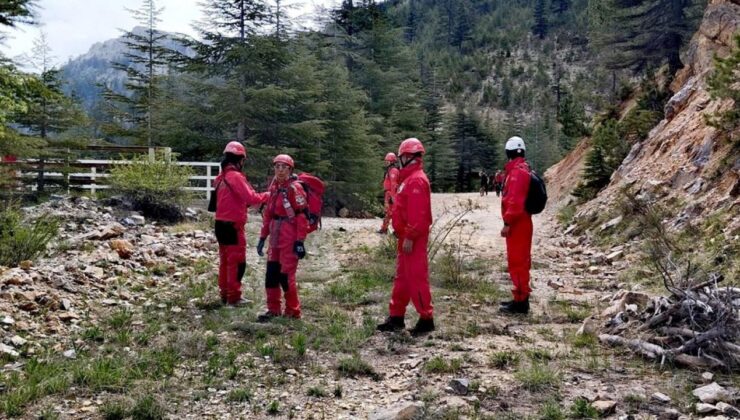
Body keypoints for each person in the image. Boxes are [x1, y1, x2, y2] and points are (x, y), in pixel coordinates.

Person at [377, 138, 435, 336]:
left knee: (416, 277)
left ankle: (426, 319)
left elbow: (419, 215)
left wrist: (410, 236)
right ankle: (396, 317)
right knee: (402, 278)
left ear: (408, 157)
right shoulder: (409, 179)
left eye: (401, 157)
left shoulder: (416, 180)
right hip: (405, 237)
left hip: (413, 239)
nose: (398, 161)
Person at [213, 141, 269, 306]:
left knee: (225, 261)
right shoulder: (235, 177)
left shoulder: (220, 178)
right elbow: (252, 198)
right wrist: (268, 194)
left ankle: (225, 294)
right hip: (233, 226)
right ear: (240, 160)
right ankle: (234, 297)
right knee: (237, 262)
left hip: (220, 224)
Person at [256, 154, 308, 321]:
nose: (279, 170)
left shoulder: (294, 189)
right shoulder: (274, 188)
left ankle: (293, 311)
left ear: (290, 169)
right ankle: (273, 309)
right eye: (277, 166)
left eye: (283, 167)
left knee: (286, 276)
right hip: (275, 237)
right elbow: (268, 215)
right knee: (271, 275)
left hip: (289, 237)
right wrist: (263, 237)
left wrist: (300, 241)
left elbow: (301, 216)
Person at [499, 136, 533, 315]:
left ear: (508, 152)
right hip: (522, 222)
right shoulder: (522, 169)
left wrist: (507, 222)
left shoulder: (517, 172)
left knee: (518, 262)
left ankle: (521, 302)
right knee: (520, 261)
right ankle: (520, 297)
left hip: (518, 224)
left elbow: (514, 201)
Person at [379, 152, 400, 234]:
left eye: (387, 161)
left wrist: (392, 196)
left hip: (390, 194)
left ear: (391, 161)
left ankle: (393, 230)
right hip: (389, 193)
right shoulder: (390, 170)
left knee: (390, 212)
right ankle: (385, 228)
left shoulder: (393, 171)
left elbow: (393, 184)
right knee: (388, 212)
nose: (386, 162)